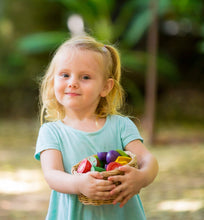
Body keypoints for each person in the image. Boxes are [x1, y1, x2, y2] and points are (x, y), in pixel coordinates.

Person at [34, 35, 159, 220]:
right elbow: (52, 175)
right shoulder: (51, 132)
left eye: (85, 77)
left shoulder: (121, 126)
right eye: (65, 75)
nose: (72, 82)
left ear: (106, 87)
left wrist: (141, 178)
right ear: (53, 82)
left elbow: (148, 160)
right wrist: (79, 184)